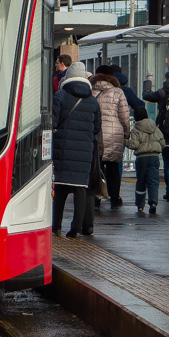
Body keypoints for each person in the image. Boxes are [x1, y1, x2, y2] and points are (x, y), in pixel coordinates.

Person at [51, 63, 102, 237]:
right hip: (84, 151)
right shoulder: (93, 101)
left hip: (63, 150)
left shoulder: (60, 96)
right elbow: (96, 128)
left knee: (60, 189)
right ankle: (76, 229)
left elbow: (53, 123)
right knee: (80, 189)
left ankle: (56, 226)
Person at [90, 69, 132, 208]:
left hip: (96, 133)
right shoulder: (118, 92)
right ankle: (115, 198)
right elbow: (124, 116)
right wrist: (126, 132)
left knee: (97, 166)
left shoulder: (91, 90)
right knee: (113, 167)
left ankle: (97, 197)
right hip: (114, 134)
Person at [144, 69, 169, 204]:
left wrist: (149, 79)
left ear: (166, 78)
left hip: (164, 131)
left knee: (168, 164)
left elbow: (146, 95)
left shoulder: (162, 92)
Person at [127, 111, 164, 214]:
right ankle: (153, 203)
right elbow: (162, 142)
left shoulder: (136, 130)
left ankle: (140, 205)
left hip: (141, 158)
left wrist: (126, 142)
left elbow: (134, 145)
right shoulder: (155, 128)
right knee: (153, 180)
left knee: (141, 181)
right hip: (154, 157)